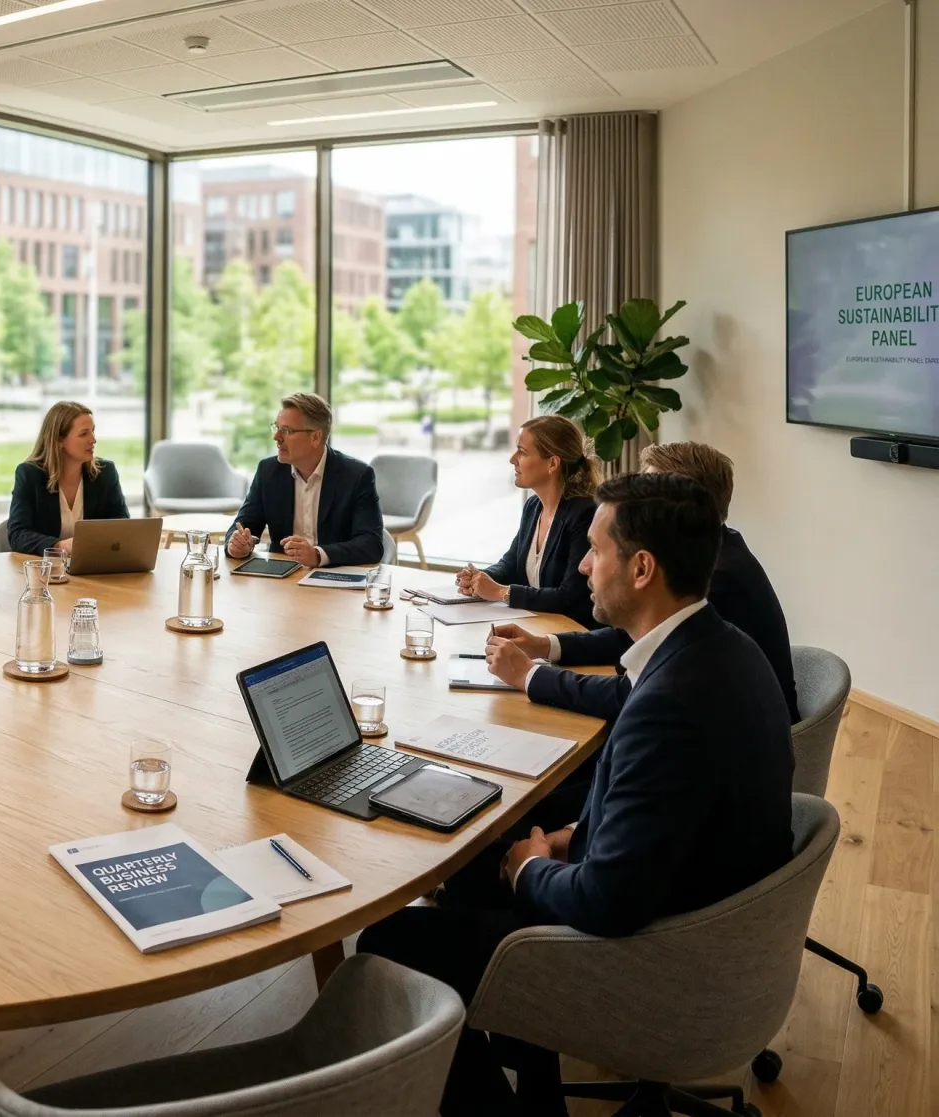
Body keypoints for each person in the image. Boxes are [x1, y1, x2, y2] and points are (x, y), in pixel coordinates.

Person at [355, 473, 794, 1116]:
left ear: (642, 568)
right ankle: (535, 1078)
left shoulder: (668, 702)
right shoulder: (725, 649)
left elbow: (605, 902)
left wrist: (529, 865)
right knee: (479, 857)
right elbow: (667, 816)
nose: (583, 565)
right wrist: (566, 839)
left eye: (595, 549)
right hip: (704, 908)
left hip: (655, 958)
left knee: (390, 942)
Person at [486, 441, 799, 723]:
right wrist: (546, 645)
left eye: (644, 493)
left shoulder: (712, 578)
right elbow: (627, 639)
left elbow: (635, 696)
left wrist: (531, 676)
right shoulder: (718, 546)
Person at [454, 415, 598, 627]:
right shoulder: (533, 507)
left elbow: (570, 597)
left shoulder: (584, 514)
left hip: (572, 635)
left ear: (552, 463)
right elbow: (511, 564)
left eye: (522, 452)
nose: (512, 459)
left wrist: (501, 592)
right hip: (539, 626)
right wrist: (480, 578)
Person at [223, 392, 383, 568]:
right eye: (276, 427)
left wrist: (317, 555)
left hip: (336, 579)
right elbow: (243, 525)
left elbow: (371, 544)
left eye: (286, 431)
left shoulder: (357, 475)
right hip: (282, 578)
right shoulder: (268, 471)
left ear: (315, 437)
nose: (276, 437)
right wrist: (237, 546)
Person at [6, 400, 129, 555]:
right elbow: (18, 534)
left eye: (93, 431)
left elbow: (123, 527)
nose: (93, 439)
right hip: (47, 571)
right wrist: (60, 547)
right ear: (59, 440)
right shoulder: (30, 474)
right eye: (84, 434)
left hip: (94, 568)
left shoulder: (105, 472)